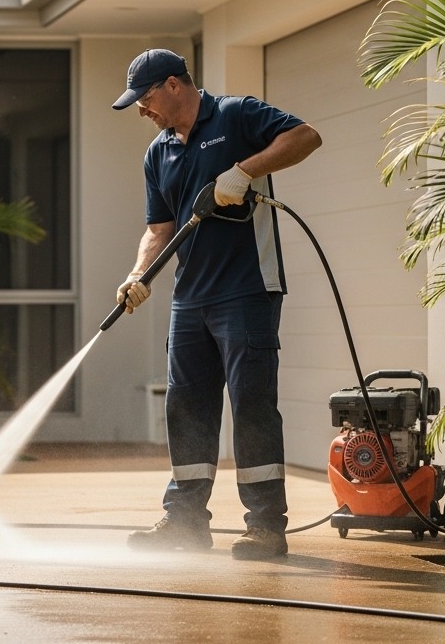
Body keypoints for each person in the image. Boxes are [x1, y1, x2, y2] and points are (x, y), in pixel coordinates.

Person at [111, 48, 321, 560]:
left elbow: (305, 136)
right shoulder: (158, 152)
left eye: (145, 98)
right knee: (186, 408)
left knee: (251, 406)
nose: (142, 110)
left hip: (247, 290)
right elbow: (159, 229)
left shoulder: (235, 114)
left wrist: (243, 171)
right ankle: (185, 522)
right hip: (190, 298)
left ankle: (266, 528)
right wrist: (138, 275)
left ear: (173, 85)